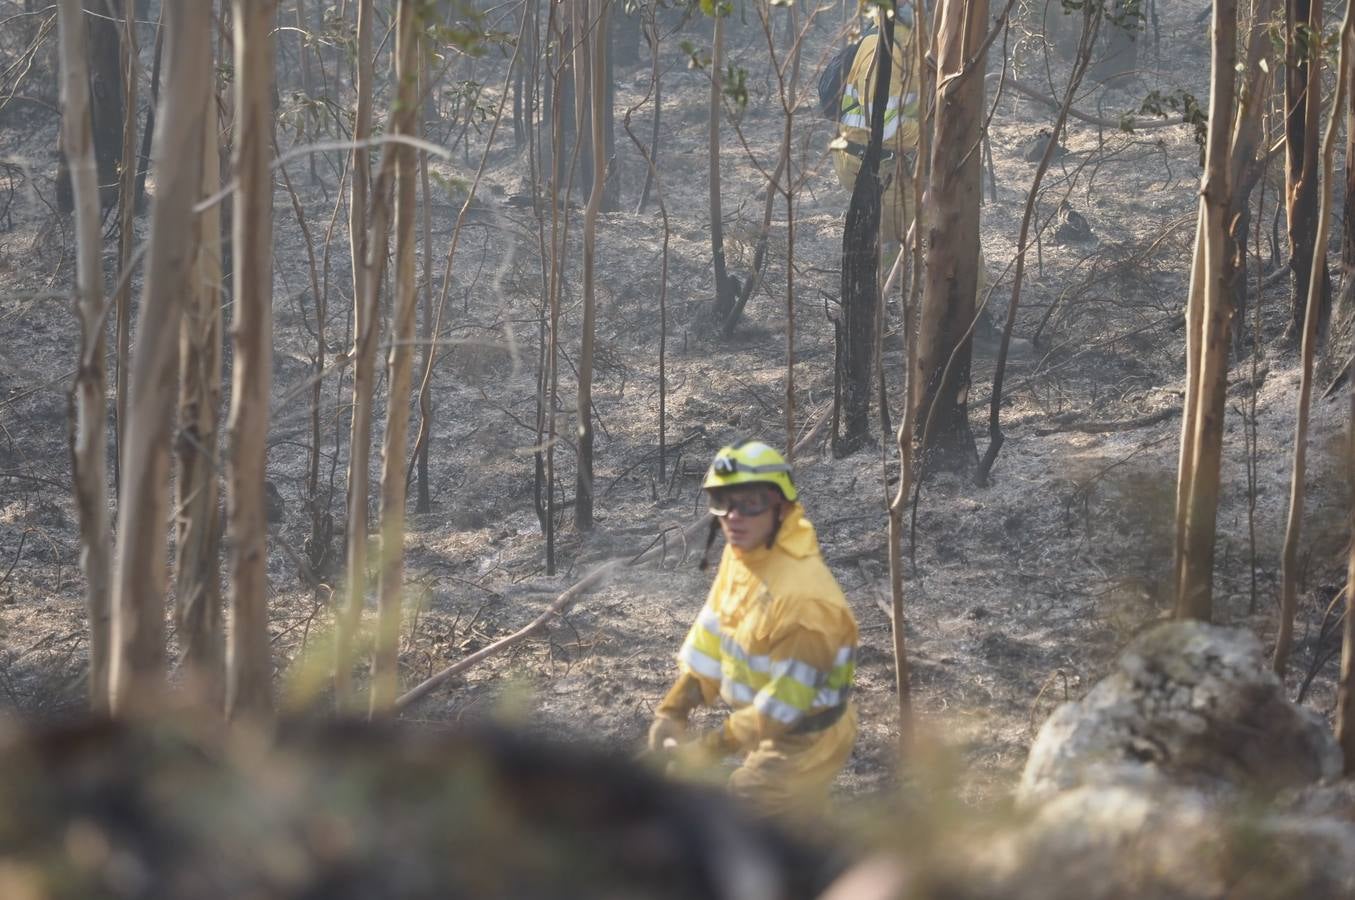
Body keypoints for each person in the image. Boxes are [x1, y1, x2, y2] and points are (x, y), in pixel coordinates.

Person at [648, 440, 858, 820]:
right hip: (763, 722)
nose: (733, 516)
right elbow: (713, 631)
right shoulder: (743, 558)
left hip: (805, 737)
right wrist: (676, 706)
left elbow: (786, 705)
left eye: (751, 502)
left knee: (750, 808)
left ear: (782, 506)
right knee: (800, 824)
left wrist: (710, 748)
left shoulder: (805, 600)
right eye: (723, 501)